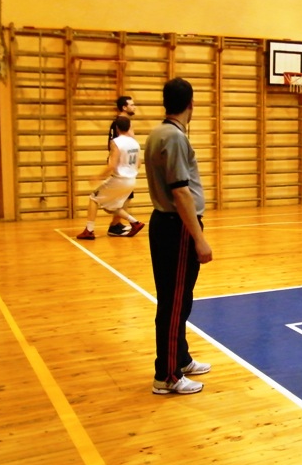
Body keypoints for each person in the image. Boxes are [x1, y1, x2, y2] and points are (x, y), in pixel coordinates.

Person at [145, 78, 213, 395]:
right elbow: (181, 192)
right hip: (177, 227)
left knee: (179, 299)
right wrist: (199, 238)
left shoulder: (159, 132)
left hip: (167, 224)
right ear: (191, 104)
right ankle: (167, 375)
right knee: (174, 304)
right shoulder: (173, 137)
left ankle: (180, 358)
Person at [76, 115, 145, 240]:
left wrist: (98, 177)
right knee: (112, 207)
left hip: (119, 179)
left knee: (93, 198)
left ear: (117, 128)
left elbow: (111, 165)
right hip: (131, 180)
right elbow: (139, 164)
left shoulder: (116, 142)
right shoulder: (135, 143)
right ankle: (135, 223)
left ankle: (89, 230)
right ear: (129, 127)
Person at [107, 96, 138, 236]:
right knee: (123, 195)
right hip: (122, 165)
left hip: (126, 164)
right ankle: (114, 225)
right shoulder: (119, 123)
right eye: (131, 105)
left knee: (127, 196)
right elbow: (114, 144)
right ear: (124, 107)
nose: (134, 107)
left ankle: (116, 223)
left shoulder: (123, 122)